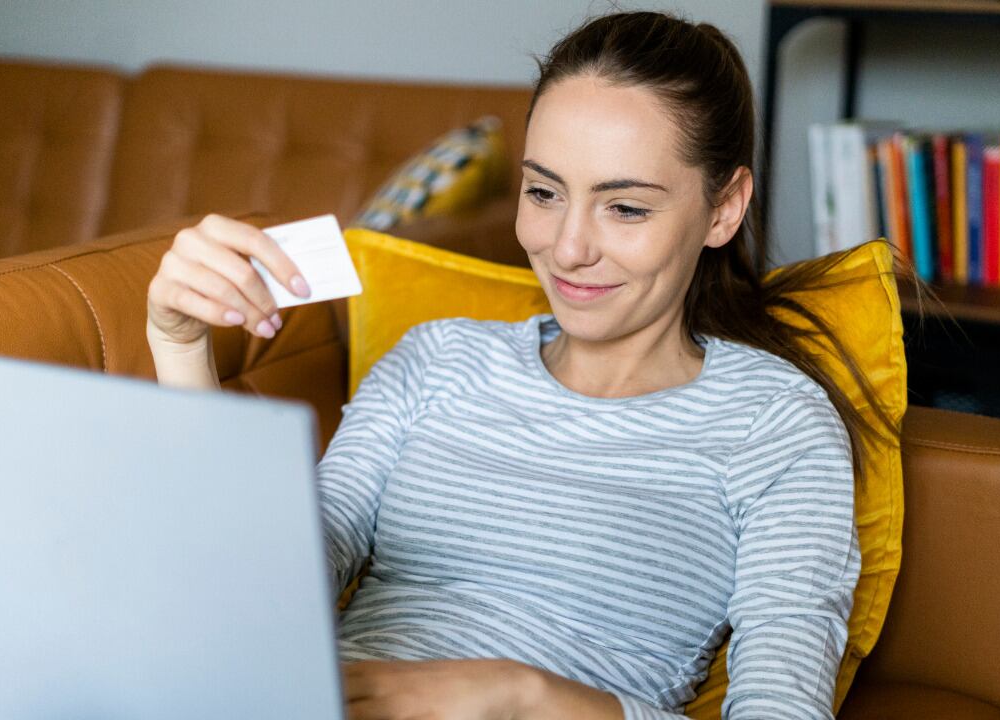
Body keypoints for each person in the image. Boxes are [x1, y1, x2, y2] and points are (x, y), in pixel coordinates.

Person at [146, 10, 904, 720]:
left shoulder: (774, 424)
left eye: (626, 208)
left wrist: (519, 696)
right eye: (544, 192)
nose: (567, 247)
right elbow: (261, 591)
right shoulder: (436, 359)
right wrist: (180, 348)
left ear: (723, 208)